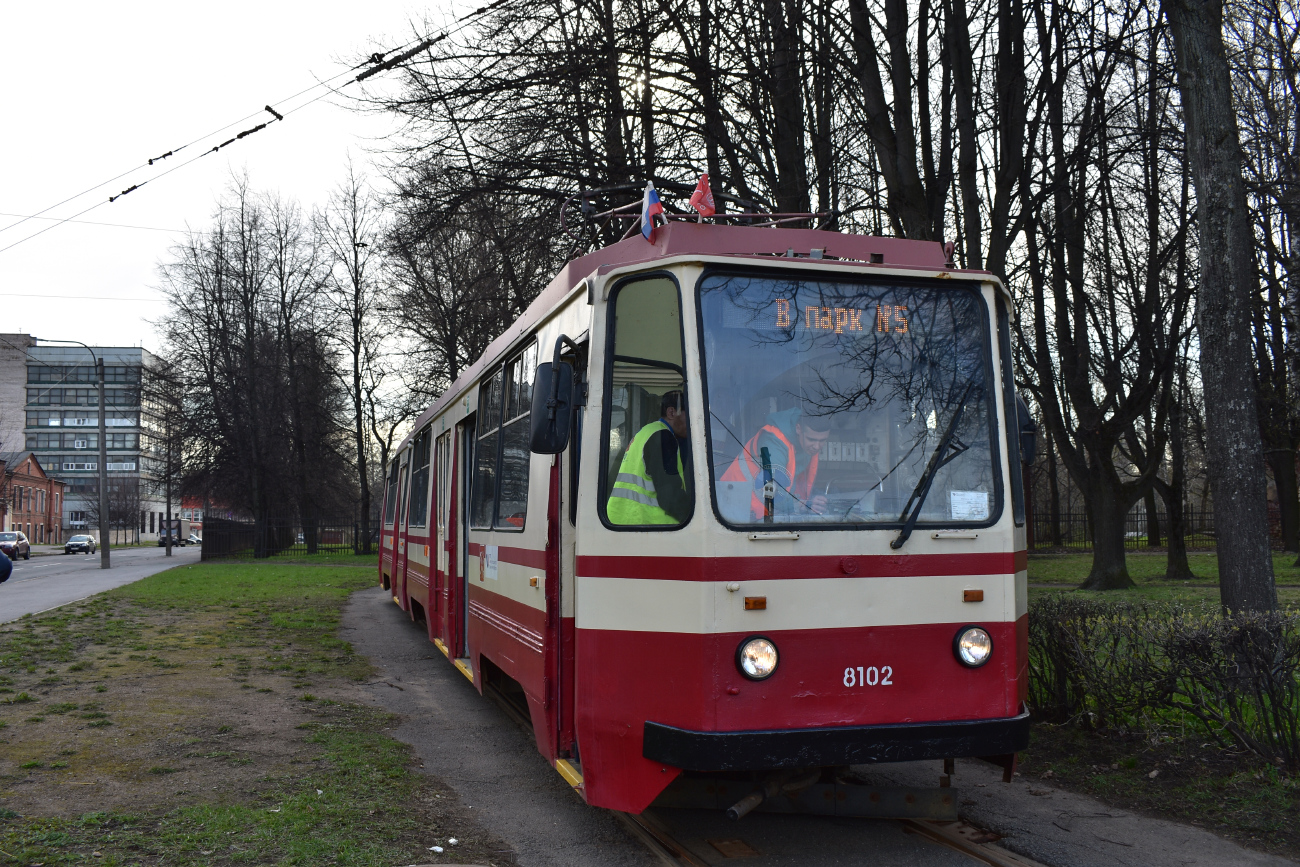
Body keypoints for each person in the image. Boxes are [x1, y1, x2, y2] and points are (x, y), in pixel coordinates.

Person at [721, 405, 832, 520]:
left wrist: (812, 499)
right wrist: (804, 504)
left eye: (822, 440)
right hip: (737, 505)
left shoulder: (805, 444)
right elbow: (771, 491)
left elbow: (793, 483)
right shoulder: (773, 442)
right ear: (798, 429)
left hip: (763, 508)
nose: (817, 446)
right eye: (811, 439)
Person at [607, 390, 693, 525]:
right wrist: (693, 516)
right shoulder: (663, 438)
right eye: (690, 415)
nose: (694, 423)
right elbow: (669, 495)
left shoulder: (646, 432)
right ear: (671, 413)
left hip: (623, 521)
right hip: (648, 525)